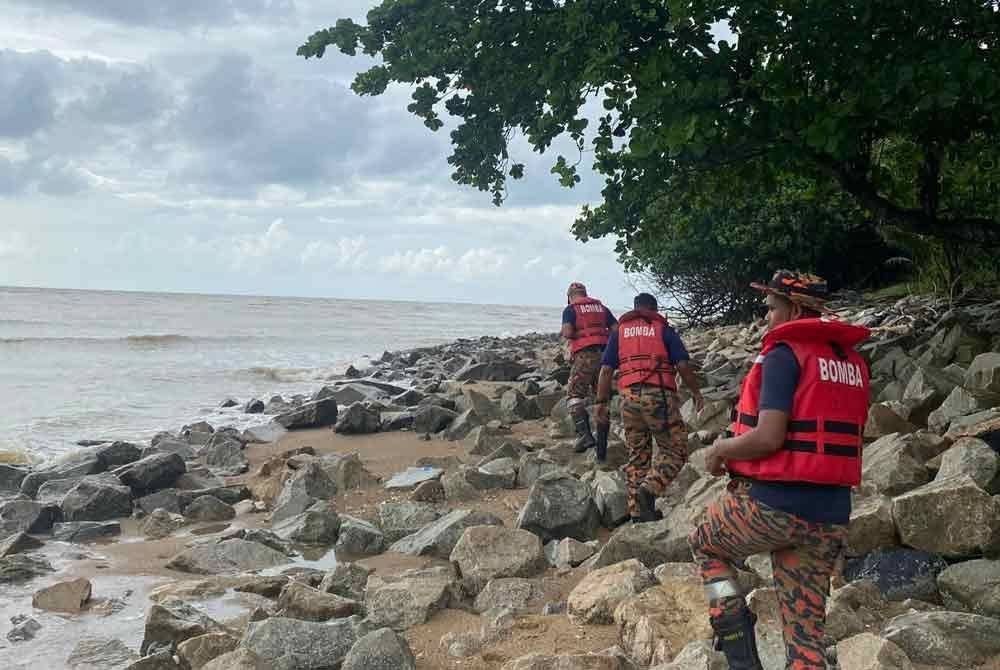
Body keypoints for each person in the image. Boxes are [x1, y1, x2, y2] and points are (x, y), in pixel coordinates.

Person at [688, 270, 871, 670]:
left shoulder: (784, 355)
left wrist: (721, 449)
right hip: (831, 515)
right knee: (806, 640)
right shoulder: (853, 362)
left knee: (704, 544)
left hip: (772, 506)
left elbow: (769, 437)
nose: (765, 317)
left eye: (771, 308)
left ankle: (737, 646)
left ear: (794, 308)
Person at [594, 292, 704, 522]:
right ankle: (649, 490)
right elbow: (682, 365)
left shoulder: (619, 332)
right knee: (675, 450)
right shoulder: (663, 329)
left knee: (638, 457)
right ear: (654, 309)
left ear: (635, 308)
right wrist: (695, 392)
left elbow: (605, 371)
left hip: (628, 399)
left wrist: (601, 403)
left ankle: (637, 514)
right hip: (658, 398)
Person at [561, 282, 617, 460]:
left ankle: (585, 436)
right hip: (606, 355)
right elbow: (616, 330)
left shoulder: (571, 309)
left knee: (574, 395)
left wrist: (582, 337)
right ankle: (602, 447)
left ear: (570, 296)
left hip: (585, 356)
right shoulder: (601, 307)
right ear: (586, 294)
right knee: (602, 398)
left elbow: (568, 333)